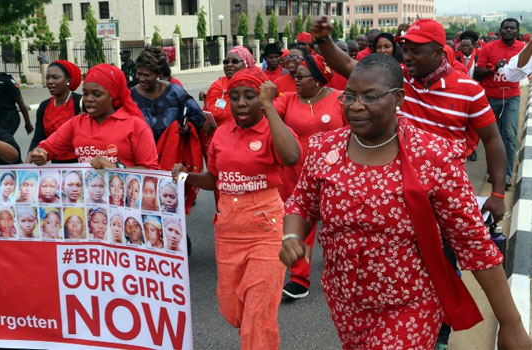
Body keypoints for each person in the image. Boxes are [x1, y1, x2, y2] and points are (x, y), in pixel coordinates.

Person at [279, 53, 530, 350]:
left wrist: (511, 323)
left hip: (410, 306)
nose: (356, 106)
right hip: (345, 303)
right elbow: (301, 204)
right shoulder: (325, 149)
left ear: (398, 98)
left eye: (370, 96)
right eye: (349, 96)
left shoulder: (434, 157)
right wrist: (293, 236)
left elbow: (473, 242)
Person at [310, 17, 507, 223]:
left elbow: (492, 140)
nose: (408, 57)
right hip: (398, 186)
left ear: (438, 53)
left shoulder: (469, 90)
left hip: (445, 190)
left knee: (445, 252)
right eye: (406, 50)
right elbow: (348, 65)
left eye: (416, 51)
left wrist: (498, 195)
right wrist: (324, 40)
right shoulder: (397, 79)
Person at [171, 67, 300, 349]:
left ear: (262, 99)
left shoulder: (273, 129)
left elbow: (291, 156)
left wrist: (270, 108)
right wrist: (185, 176)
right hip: (228, 232)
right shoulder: (221, 135)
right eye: (235, 97)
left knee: (258, 315)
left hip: (265, 231)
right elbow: (214, 180)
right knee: (232, 310)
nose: (241, 102)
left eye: (250, 96)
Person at [270, 54, 347, 299]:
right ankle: (299, 279)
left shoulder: (339, 99)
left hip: (335, 175)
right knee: (301, 223)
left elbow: (353, 133)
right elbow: (267, 117)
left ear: (317, 80)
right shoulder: (289, 100)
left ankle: (346, 274)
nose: (295, 80)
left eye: (301, 77)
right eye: (295, 76)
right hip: (296, 175)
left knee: (340, 226)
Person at [28, 64, 159, 170]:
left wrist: (115, 167)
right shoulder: (77, 123)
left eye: (96, 94)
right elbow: (47, 148)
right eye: (85, 93)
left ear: (113, 95)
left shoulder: (135, 126)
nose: (88, 99)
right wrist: (41, 153)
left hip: (123, 200)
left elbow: (151, 171)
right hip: (88, 199)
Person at [475, 18, 526, 189]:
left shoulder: (523, 49)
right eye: (505, 28)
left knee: (510, 137)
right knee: (492, 138)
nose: (509, 31)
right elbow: (478, 73)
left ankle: (506, 176)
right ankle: (493, 172)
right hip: (490, 98)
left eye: (512, 28)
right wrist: (494, 68)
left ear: (517, 31)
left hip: (511, 97)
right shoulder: (489, 48)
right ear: (500, 30)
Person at [130, 49, 204, 144]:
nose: (141, 79)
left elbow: (198, 115)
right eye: (139, 74)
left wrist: (188, 126)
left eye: (147, 75)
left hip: (172, 153)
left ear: (158, 74)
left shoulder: (175, 91)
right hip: (142, 153)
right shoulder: (131, 96)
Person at [28, 60, 83, 163]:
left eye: (55, 77)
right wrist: (27, 164)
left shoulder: (81, 103)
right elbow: (38, 138)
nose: (50, 81)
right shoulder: (44, 106)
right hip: (55, 165)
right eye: (48, 78)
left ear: (68, 80)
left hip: (80, 163)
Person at [200, 46, 256, 144]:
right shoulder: (216, 86)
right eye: (226, 62)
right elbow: (206, 110)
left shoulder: (255, 86)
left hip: (245, 141)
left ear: (246, 64)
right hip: (217, 142)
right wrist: (205, 123)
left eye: (235, 61)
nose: (229, 65)